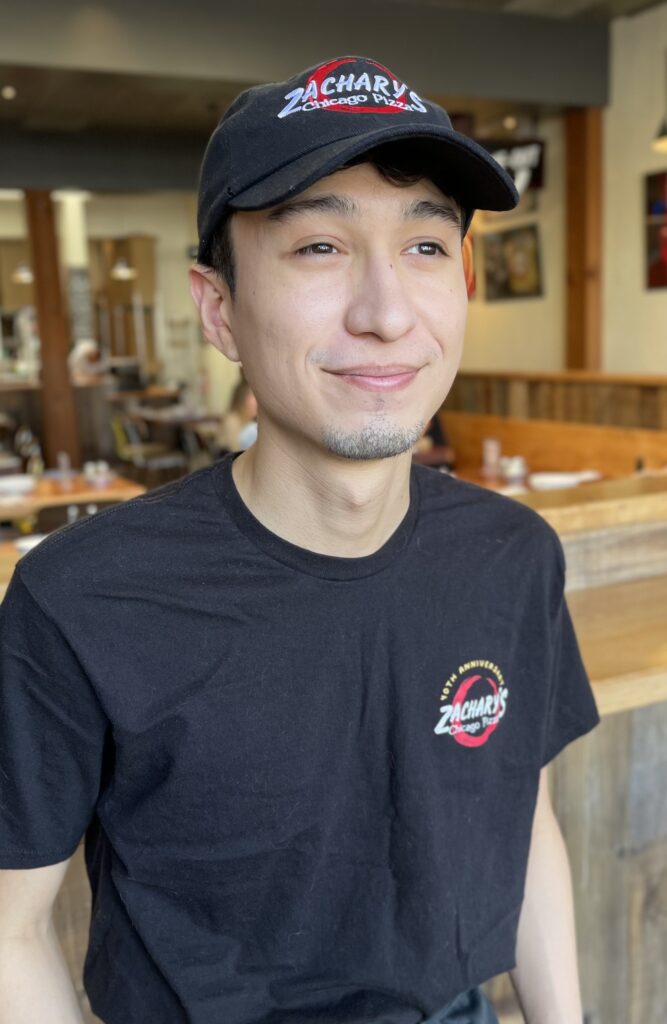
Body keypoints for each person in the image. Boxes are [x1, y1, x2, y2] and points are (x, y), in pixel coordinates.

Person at [0, 56, 599, 1024]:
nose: (387, 313)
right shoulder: (83, 595)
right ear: (218, 307)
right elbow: (9, 929)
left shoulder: (510, 552)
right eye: (319, 246)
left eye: (424, 249)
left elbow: (516, 813)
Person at [216, 377, 258, 453]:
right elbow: (237, 450)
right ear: (242, 400)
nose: (257, 403)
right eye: (253, 398)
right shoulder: (231, 421)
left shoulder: (250, 423)